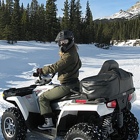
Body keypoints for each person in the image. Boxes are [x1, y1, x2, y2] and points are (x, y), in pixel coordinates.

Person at [36, 30, 82, 130]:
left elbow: (56, 66)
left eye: (65, 41)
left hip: (67, 86)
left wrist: (41, 70)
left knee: (43, 97)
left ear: (70, 41)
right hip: (75, 83)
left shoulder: (68, 56)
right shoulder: (73, 52)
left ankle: (48, 123)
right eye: (60, 42)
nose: (62, 44)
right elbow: (76, 65)